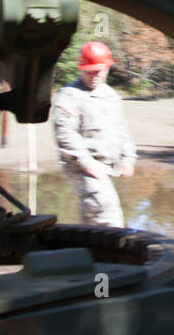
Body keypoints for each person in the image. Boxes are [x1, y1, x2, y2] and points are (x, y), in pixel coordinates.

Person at [53, 41, 137, 227]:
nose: (94, 75)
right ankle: (114, 254)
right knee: (105, 211)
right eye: (89, 71)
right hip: (81, 167)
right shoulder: (69, 96)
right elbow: (65, 134)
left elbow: (121, 129)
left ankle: (90, 251)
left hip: (107, 165)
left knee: (93, 221)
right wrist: (88, 164)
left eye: (98, 71)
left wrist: (128, 158)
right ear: (81, 69)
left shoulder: (110, 96)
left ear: (107, 68)